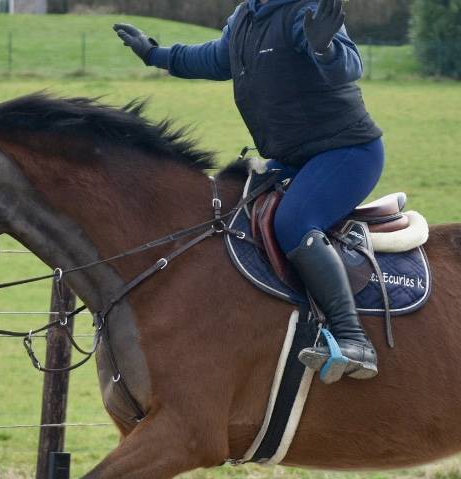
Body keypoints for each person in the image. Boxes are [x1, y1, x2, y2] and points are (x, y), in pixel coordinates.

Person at [115, 0, 384, 382]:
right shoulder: (246, 17)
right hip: (292, 158)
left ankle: (353, 339)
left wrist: (325, 48)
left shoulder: (301, 12)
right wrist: (156, 54)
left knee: (295, 222)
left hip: (347, 152)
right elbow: (214, 58)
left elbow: (348, 68)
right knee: (232, 214)